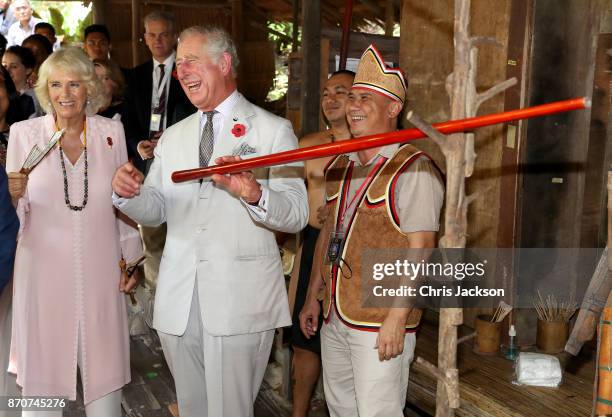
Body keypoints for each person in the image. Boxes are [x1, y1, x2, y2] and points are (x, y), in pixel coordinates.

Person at [112, 25, 308, 417]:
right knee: (192, 408)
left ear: (224, 63)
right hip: (179, 299)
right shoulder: (174, 136)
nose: (181, 71)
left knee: (231, 411)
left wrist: (255, 194)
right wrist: (128, 194)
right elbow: (157, 208)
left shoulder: (272, 130)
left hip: (240, 300)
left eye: (190, 61)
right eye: (178, 63)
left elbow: (298, 212)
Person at [299, 45, 444, 417]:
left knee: (377, 412)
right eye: (352, 97)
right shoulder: (341, 164)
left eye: (366, 97)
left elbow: (422, 247)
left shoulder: (413, 168)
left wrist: (397, 319)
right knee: (341, 408)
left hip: (379, 321)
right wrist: (314, 295)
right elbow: (330, 233)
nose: (353, 106)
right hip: (335, 312)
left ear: (394, 109)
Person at [5, 47, 142, 417]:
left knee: (105, 375)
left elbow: (122, 204)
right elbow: (19, 216)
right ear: (46, 90)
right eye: (56, 85)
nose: (65, 93)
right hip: (42, 272)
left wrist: (130, 262)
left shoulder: (111, 132)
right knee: (42, 377)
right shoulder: (24, 133)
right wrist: (13, 195)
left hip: (100, 268)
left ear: (89, 89)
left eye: (74, 84)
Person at [288, 70, 354, 417]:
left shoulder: (371, 148)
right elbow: (286, 199)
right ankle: (298, 413)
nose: (330, 99)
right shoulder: (307, 145)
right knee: (304, 341)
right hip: (314, 240)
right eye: (326, 93)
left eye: (340, 92)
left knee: (344, 342)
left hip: (353, 245)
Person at [122, 10, 194, 304]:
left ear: (175, 35)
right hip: (146, 159)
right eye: (151, 34)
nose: (158, 40)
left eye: (164, 34)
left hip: (180, 158)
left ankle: (182, 294)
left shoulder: (189, 71)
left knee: (181, 227)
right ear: (144, 38)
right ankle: (156, 296)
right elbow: (125, 119)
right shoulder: (135, 75)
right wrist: (139, 144)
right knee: (150, 234)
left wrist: (171, 139)